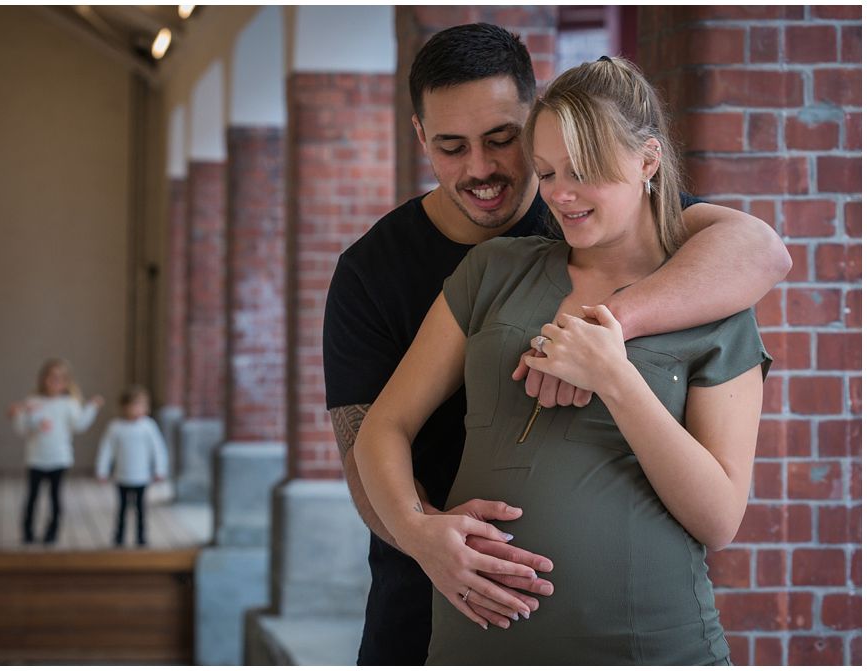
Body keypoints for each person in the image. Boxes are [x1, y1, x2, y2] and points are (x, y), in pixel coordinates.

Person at [323, 23, 791, 665]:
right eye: (452, 147)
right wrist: (421, 534)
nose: (483, 168)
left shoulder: (692, 275)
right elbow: (370, 435)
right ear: (421, 138)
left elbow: (761, 249)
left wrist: (607, 341)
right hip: (433, 600)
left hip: (642, 638)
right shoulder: (413, 271)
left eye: (502, 141)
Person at [8, 358, 104, 545]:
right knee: (32, 497)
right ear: (43, 379)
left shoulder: (69, 403)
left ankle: (52, 532)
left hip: (59, 458)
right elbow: (22, 428)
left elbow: (79, 424)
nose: (55, 382)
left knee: (55, 497)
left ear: (67, 382)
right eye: (51, 378)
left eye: (60, 378)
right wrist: (18, 415)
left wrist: (92, 407)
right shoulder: (33, 402)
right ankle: (28, 532)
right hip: (36, 458)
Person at [95, 385, 169, 547]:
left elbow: (158, 449)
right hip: (122, 475)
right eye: (133, 405)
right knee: (121, 509)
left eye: (140, 405)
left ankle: (141, 537)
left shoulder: (148, 426)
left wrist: (160, 469)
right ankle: (119, 536)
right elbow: (106, 450)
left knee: (140, 509)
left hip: (141, 476)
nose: (136, 409)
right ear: (124, 407)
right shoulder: (115, 427)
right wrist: (102, 469)